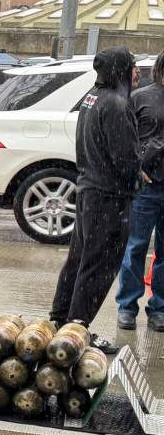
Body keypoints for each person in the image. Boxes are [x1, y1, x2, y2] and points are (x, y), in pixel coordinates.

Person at [50, 46, 141, 350]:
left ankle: (61, 319)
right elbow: (125, 158)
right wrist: (136, 177)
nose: (137, 72)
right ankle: (77, 330)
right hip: (109, 196)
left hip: (89, 188)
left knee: (79, 260)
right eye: (133, 66)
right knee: (99, 266)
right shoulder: (116, 104)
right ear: (120, 69)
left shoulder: (93, 96)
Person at [117, 51, 164, 332]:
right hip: (146, 187)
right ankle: (127, 307)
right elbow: (124, 139)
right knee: (135, 247)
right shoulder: (141, 97)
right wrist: (134, 169)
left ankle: (159, 308)